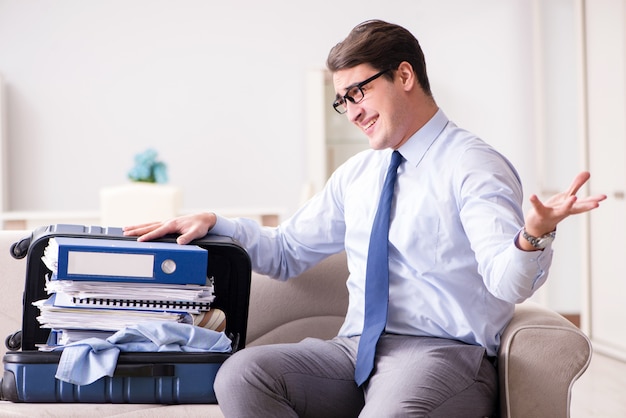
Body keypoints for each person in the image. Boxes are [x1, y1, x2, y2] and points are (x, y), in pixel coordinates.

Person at [123, 19, 606, 418]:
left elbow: (506, 282)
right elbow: (288, 250)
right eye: (343, 100)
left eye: (359, 93)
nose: (351, 112)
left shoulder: (473, 165)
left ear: (404, 75)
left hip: (441, 353)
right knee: (243, 374)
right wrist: (215, 222)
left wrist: (534, 237)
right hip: (353, 350)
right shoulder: (359, 173)